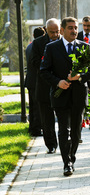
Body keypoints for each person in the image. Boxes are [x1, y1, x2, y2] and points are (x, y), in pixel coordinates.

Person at [40, 17, 90, 176]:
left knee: (76, 132)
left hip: (78, 95)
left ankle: (72, 156)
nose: (73, 31)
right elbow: (44, 70)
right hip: (60, 96)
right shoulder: (52, 48)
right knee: (64, 130)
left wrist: (79, 76)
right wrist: (58, 82)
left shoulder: (84, 47)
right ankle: (67, 163)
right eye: (70, 28)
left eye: (75, 27)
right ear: (62, 30)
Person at [31, 18, 60, 154]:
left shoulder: (64, 41)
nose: (54, 35)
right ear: (45, 30)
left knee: (64, 117)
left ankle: (66, 141)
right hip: (44, 85)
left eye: (57, 32)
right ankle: (51, 144)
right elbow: (34, 61)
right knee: (47, 119)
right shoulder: (38, 43)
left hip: (62, 85)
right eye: (51, 32)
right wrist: (47, 65)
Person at [25, 27, 45, 137]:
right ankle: (36, 128)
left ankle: (32, 126)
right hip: (36, 80)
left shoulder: (29, 46)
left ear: (33, 35)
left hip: (30, 80)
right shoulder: (38, 47)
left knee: (32, 106)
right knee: (37, 106)